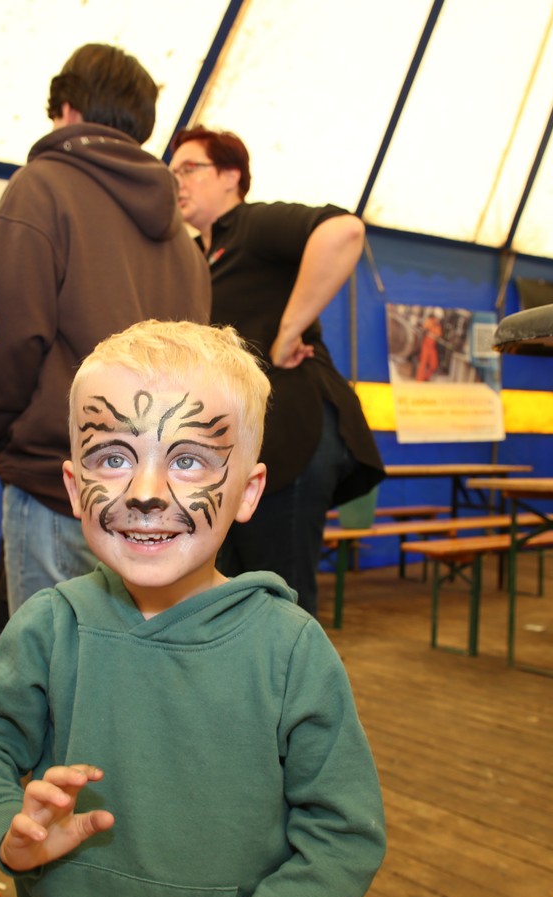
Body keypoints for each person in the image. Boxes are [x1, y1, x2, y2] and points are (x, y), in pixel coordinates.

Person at [0, 320, 386, 897]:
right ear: (74, 488)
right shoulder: (50, 626)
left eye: (189, 460)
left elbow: (344, 835)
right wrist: (4, 824)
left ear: (248, 492)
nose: (145, 494)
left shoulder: (290, 650)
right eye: (113, 459)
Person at [0, 43, 210, 622]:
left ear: (68, 109)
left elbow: (11, 337)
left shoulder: (41, 188)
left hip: (61, 479)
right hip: (160, 493)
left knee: (54, 664)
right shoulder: (182, 240)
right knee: (134, 659)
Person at [168, 126, 385, 618]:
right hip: (241, 444)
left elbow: (344, 231)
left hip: (293, 431)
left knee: (279, 599)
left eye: (190, 169)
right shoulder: (195, 256)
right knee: (225, 594)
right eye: (172, 172)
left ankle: (294, 671)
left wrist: (290, 329)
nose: (177, 181)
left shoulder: (252, 224)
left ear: (231, 176)